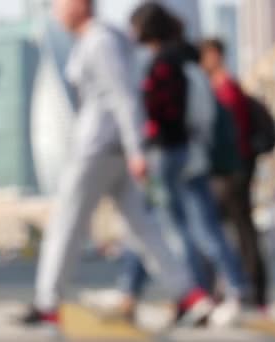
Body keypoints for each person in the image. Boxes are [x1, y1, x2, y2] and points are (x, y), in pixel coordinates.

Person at [18, 0, 213, 328]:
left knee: (66, 223)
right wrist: (133, 148)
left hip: (97, 149)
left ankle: (48, 301)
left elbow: (124, 96)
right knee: (143, 228)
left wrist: (137, 149)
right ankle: (189, 295)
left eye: (59, 3)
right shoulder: (106, 38)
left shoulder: (100, 42)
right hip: (115, 150)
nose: (54, 9)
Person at [81, 3, 247, 328]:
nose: (131, 35)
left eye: (135, 28)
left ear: (146, 29)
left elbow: (162, 111)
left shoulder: (165, 63)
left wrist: (144, 134)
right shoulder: (184, 59)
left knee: (165, 227)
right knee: (162, 224)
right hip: (185, 153)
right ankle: (145, 291)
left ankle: (195, 294)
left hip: (167, 153)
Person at [200, 38, 270, 309]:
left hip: (231, 171)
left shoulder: (226, 88)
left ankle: (240, 288)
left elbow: (234, 135)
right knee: (237, 229)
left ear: (215, 56)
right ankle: (245, 289)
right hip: (233, 170)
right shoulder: (224, 87)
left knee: (219, 228)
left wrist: (229, 165)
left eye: (204, 56)